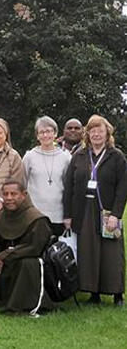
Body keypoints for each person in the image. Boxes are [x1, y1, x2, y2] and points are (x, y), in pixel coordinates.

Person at [63, 115, 126, 306]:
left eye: (100, 130)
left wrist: (116, 214)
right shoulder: (79, 156)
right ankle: (94, 293)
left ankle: (117, 294)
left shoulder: (116, 157)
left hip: (107, 211)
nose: (96, 134)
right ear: (87, 134)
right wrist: (68, 215)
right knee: (89, 251)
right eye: (92, 131)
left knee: (111, 253)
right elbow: (69, 187)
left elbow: (123, 188)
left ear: (107, 133)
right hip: (84, 210)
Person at [0, 180, 54, 314]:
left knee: (27, 264)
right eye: (5, 194)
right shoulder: (0, 217)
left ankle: (24, 304)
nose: (9, 198)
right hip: (8, 264)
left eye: (14, 194)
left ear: (23, 195)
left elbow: (34, 248)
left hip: (31, 264)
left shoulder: (37, 219)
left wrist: (4, 256)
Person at [23, 116, 71, 236]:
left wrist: (68, 215)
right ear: (37, 135)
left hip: (58, 214)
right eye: (42, 132)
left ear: (55, 133)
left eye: (49, 131)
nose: (45, 135)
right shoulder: (29, 156)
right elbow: (22, 184)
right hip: (35, 215)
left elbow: (69, 187)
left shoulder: (65, 157)